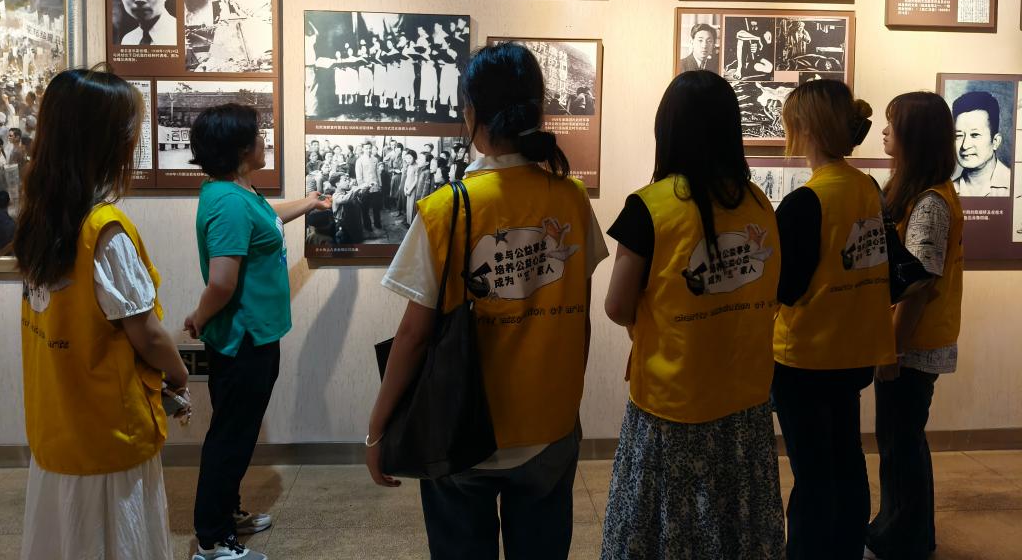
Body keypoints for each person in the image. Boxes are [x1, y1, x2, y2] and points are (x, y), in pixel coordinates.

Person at [366, 42, 608, 560]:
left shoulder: (445, 210)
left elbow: (413, 337)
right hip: (550, 426)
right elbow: (581, 319)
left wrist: (376, 428)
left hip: (463, 429)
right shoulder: (571, 199)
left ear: (471, 112)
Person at [600, 71, 785, 559]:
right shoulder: (759, 203)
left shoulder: (650, 207)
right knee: (737, 528)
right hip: (746, 400)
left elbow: (616, 305)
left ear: (668, 129)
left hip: (673, 403)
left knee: (667, 529)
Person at [16, 67, 190, 560]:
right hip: (108, 432)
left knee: (64, 535)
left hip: (57, 425)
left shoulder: (40, 222)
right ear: (108, 142)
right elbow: (146, 333)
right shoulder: (104, 230)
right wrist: (179, 374)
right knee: (116, 539)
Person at [185, 103, 332, 560]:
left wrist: (308, 202)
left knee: (239, 433)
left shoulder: (238, 191)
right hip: (242, 338)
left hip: (258, 334)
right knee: (231, 437)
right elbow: (222, 283)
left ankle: (226, 513)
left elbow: (267, 218)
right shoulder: (229, 203)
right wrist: (199, 317)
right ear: (239, 149)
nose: (263, 141)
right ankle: (212, 539)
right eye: (257, 136)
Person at [771, 79, 896, 560]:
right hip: (855, 351)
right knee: (847, 458)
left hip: (806, 356)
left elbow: (785, 287)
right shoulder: (867, 188)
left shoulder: (806, 201)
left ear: (805, 127)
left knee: (811, 474)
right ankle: (846, 548)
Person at [867, 92, 965, 560]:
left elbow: (918, 285)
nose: (885, 132)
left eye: (893, 124)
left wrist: (892, 349)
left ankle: (901, 538)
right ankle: (904, 532)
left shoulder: (929, 203)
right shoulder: (923, 193)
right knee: (901, 440)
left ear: (915, 136)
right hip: (909, 341)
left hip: (911, 344)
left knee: (900, 443)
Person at [951, 90, 1010, 196]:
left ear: (995, 141)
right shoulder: (949, 191)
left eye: (975, 135)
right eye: (959, 135)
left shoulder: (1015, 185)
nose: (965, 145)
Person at [356, 141, 384, 234]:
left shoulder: (375, 159)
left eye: (370, 148)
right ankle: (367, 226)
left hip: (375, 187)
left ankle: (377, 223)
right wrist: (362, 187)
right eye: (366, 148)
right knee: (365, 208)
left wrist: (379, 185)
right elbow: (359, 176)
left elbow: (377, 173)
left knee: (376, 207)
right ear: (363, 149)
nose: (368, 150)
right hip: (365, 187)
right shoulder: (359, 160)